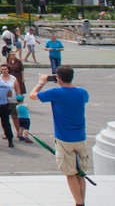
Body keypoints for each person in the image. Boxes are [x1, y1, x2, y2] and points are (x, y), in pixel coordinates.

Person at [31, 66, 90, 206]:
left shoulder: (55, 92)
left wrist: (41, 82)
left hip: (64, 138)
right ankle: (81, 202)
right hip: (81, 137)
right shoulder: (82, 92)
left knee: (70, 173)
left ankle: (78, 203)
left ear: (58, 78)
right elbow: (77, 93)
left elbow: (32, 96)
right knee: (80, 173)